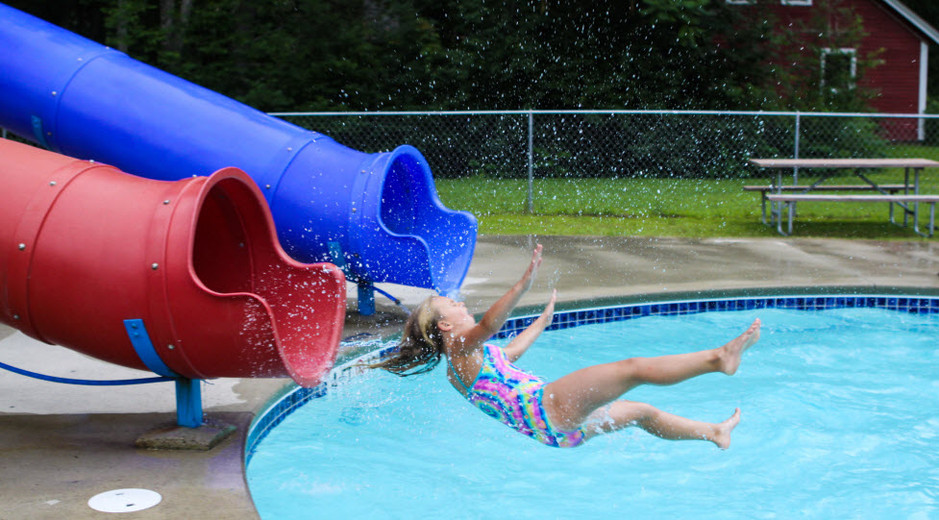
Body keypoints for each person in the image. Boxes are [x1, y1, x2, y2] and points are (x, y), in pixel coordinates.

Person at [372, 244, 760, 449]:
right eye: (451, 305)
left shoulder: (466, 365)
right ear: (444, 325)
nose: (459, 303)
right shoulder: (460, 347)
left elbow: (509, 354)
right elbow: (491, 324)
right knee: (632, 368)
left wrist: (541, 322)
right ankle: (718, 359)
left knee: (641, 411)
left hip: (555, 430)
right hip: (548, 408)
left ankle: (713, 433)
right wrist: (521, 286)